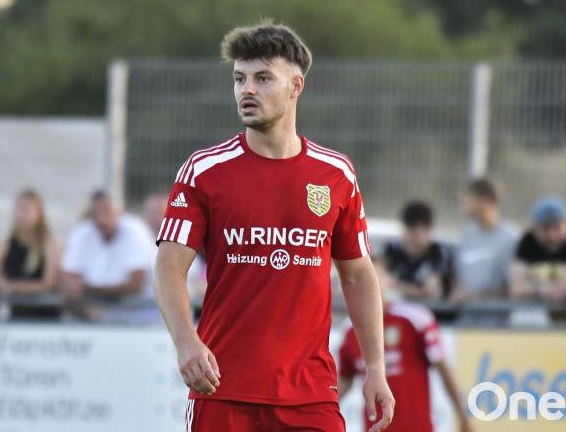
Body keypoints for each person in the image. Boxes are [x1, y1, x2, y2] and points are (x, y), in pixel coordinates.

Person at [154, 22, 394, 432]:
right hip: (223, 388)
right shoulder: (204, 170)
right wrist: (185, 342)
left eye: (263, 78)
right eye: (239, 78)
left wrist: (375, 367)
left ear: (296, 86)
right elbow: (168, 268)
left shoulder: (336, 173)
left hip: (311, 394)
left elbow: (357, 276)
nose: (247, 89)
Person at [338, 257, 473, 432]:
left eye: (376, 276)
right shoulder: (350, 330)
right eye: (364, 277)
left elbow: (444, 369)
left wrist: (463, 417)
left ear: (390, 280)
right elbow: (345, 380)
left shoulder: (415, 319)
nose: (371, 285)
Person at [61, 190, 157, 323]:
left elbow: (136, 285)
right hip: (94, 318)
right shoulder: (81, 233)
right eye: (96, 214)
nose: (101, 219)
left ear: (118, 212)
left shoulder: (136, 231)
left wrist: (89, 289)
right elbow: (69, 278)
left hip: (139, 317)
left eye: (106, 212)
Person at [509, 197, 566, 303]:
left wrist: (534, 285)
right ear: (535, 227)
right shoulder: (527, 241)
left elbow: (563, 290)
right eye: (545, 228)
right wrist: (545, 289)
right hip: (538, 313)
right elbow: (517, 288)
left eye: (557, 227)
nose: (552, 235)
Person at [451, 178, 517, 304]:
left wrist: (476, 295)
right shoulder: (467, 234)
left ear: (488, 200)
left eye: (468, 200)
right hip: (466, 319)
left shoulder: (510, 238)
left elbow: (511, 288)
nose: (464, 206)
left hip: (495, 322)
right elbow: (459, 278)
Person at [0, 189, 60, 295]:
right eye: (19, 209)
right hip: (12, 307)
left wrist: (12, 286)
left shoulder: (48, 244)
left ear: (39, 214)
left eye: (27, 211)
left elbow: (48, 284)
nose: (21, 215)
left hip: (41, 308)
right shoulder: (4, 244)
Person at [383, 200, 453, 300]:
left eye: (416, 232)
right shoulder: (392, 250)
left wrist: (397, 285)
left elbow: (432, 291)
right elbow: (381, 281)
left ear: (429, 228)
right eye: (409, 230)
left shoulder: (439, 252)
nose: (412, 237)